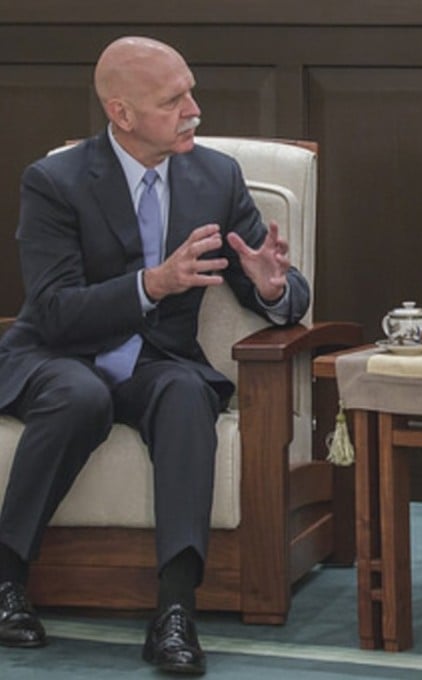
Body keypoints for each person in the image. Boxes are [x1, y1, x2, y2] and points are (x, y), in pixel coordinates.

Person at [0, 36, 310, 675]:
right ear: (122, 113)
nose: (194, 108)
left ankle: (175, 611)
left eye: (191, 90)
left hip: (157, 359)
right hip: (60, 354)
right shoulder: (54, 181)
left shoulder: (216, 176)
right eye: (174, 101)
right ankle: (6, 580)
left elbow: (272, 279)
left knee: (185, 394)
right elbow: (55, 310)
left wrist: (273, 285)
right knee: (78, 396)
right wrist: (153, 285)